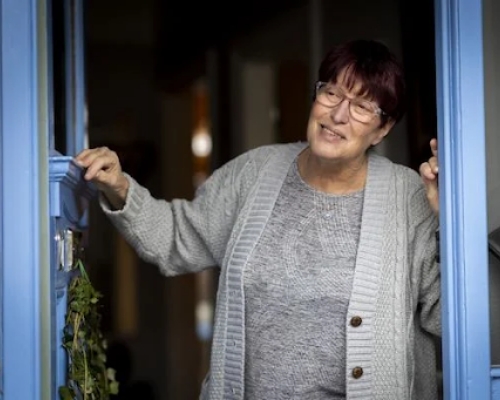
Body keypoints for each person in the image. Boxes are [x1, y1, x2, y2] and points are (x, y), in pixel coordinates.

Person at [75, 39, 441, 400]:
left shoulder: (408, 199)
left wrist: (450, 224)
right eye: (332, 93)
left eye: (362, 106)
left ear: (382, 129)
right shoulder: (255, 172)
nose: (339, 114)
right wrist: (119, 186)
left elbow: (449, 317)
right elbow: (176, 238)